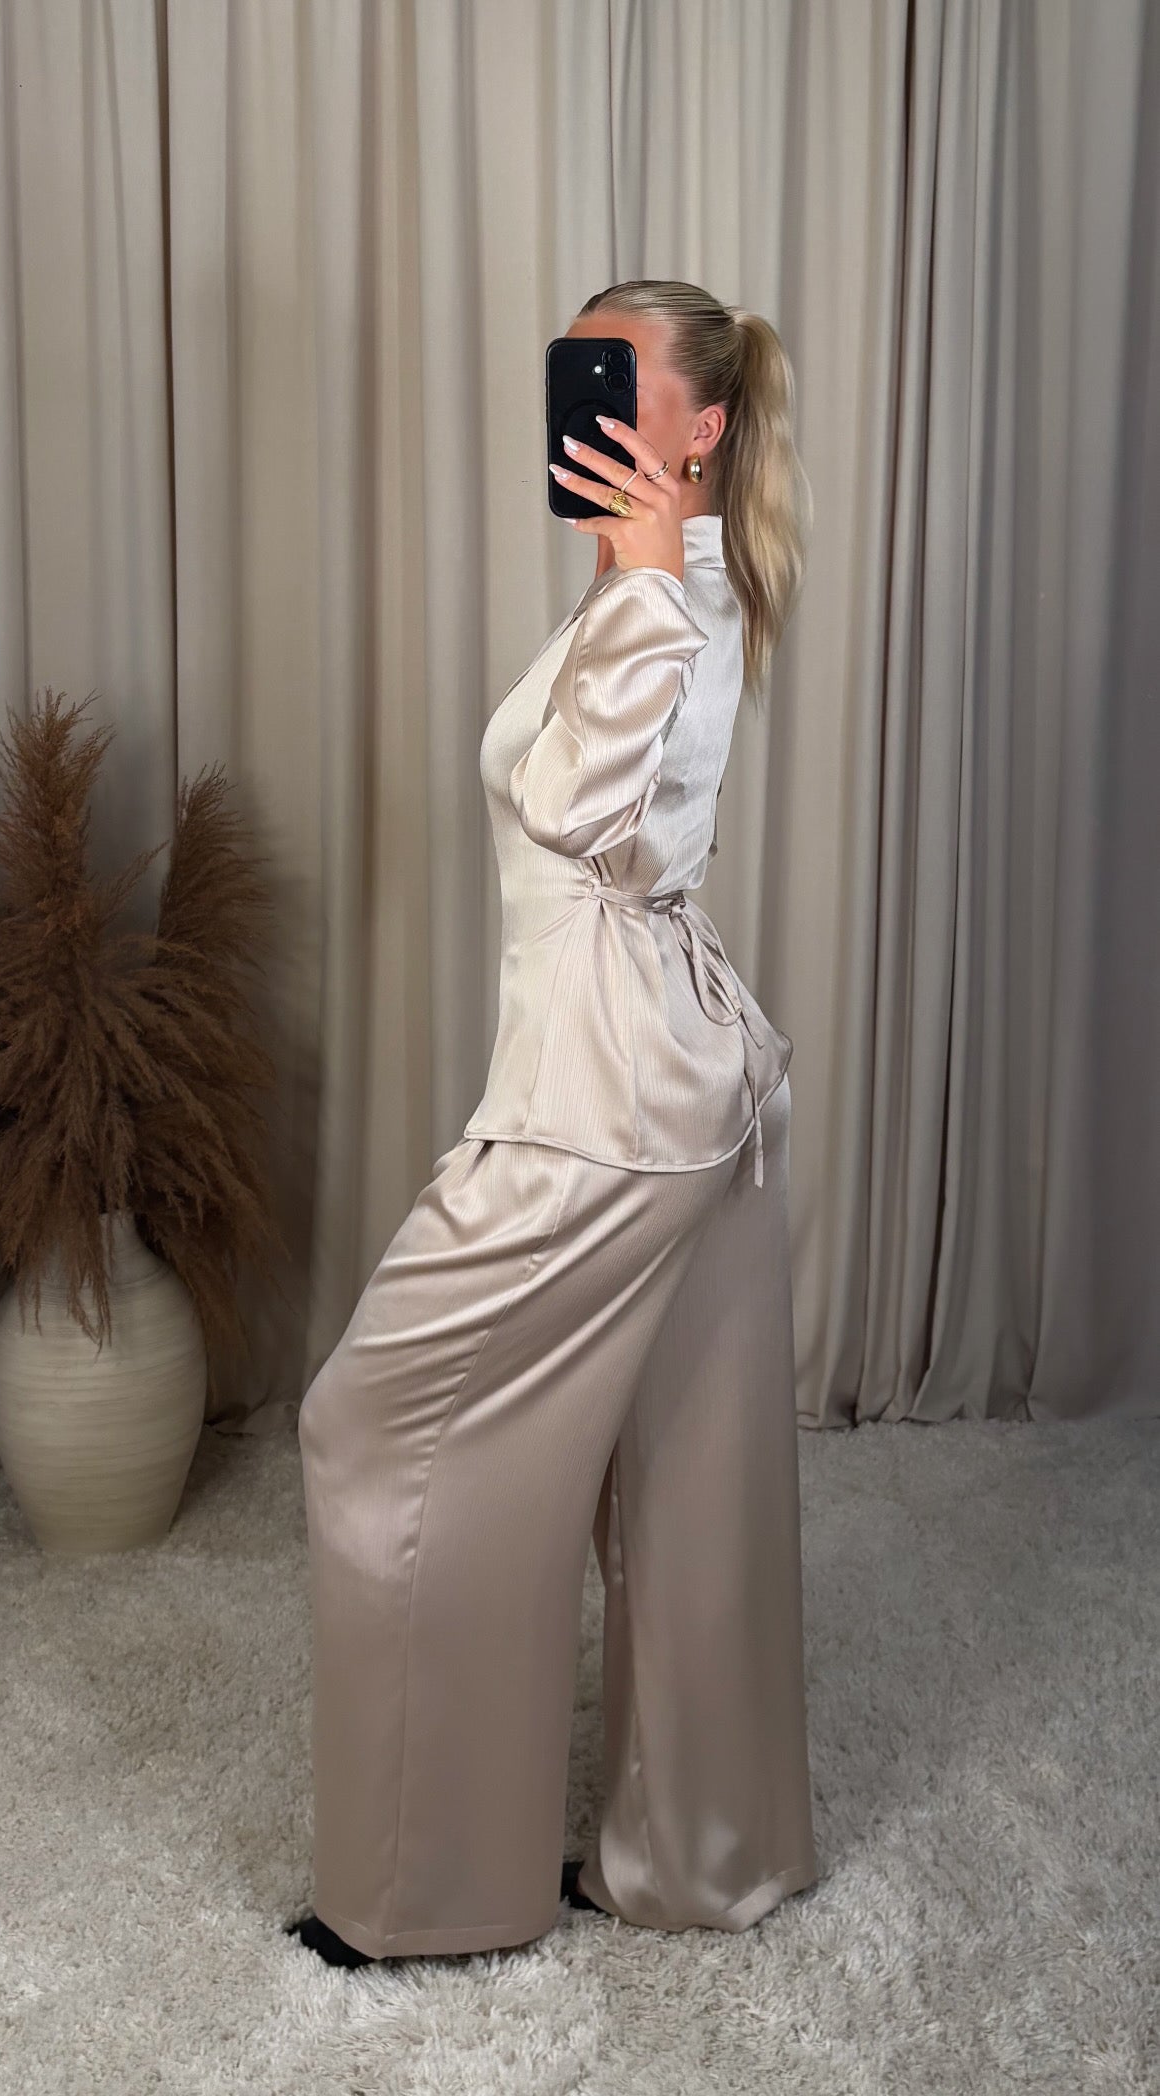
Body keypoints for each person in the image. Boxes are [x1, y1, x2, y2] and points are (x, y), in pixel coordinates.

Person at [287, 280, 819, 1969]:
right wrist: (633, 578)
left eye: (615, 375)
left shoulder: (673, 595)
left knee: (375, 1434)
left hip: (604, 1108)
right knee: (686, 1482)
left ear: (701, 430)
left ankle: (418, 1890)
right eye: (570, 364)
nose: (579, 396)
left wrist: (642, 578)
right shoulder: (655, 588)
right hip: (683, 1088)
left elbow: (579, 809)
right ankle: (697, 1855)